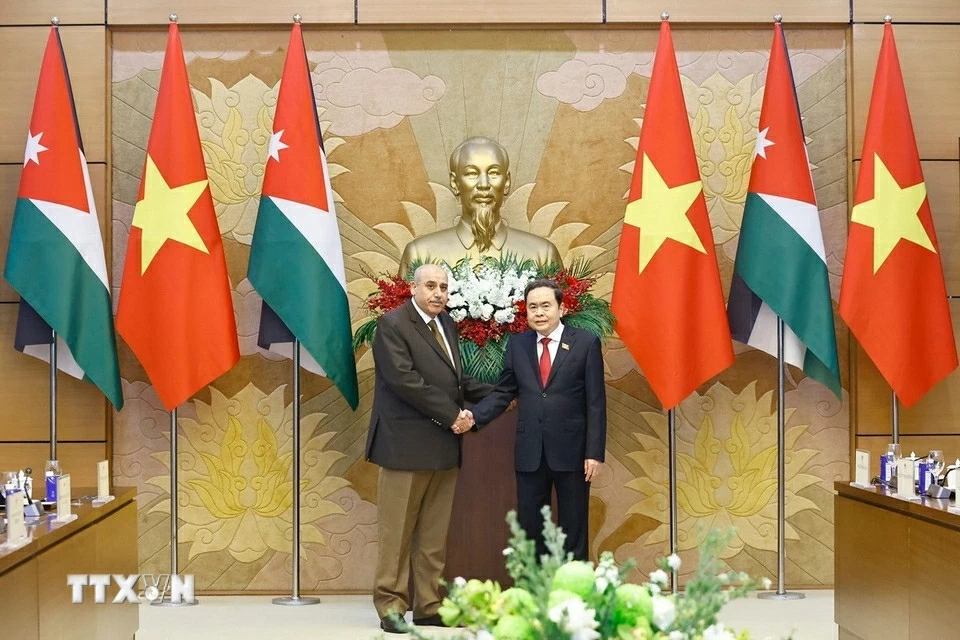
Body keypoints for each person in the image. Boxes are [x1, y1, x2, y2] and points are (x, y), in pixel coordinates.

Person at [364, 263, 492, 634]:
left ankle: (429, 606)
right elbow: (406, 381)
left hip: (441, 447)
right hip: (404, 446)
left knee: (433, 535)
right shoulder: (393, 325)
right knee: (397, 533)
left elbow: (455, 380)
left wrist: (500, 394)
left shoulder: (446, 325)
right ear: (414, 288)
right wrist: (453, 415)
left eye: (444, 287)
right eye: (431, 286)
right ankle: (390, 606)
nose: (439, 293)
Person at [469, 279, 606, 561]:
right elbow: (504, 392)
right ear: (526, 312)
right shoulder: (518, 345)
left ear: (562, 308)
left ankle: (572, 590)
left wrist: (594, 453)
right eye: (533, 307)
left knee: (574, 524)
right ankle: (533, 589)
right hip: (531, 450)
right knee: (531, 526)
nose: (539, 312)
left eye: (546, 305)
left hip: (573, 451)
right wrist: (473, 417)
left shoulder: (585, 343)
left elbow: (595, 402)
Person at [397, 137, 563, 278]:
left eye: (493, 173)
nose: (484, 184)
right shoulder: (421, 255)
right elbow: (405, 315)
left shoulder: (543, 255)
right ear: (455, 183)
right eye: (471, 173)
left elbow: (563, 313)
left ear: (506, 183)